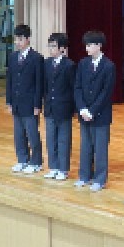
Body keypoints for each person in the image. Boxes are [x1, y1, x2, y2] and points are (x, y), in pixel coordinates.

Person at [73, 30, 116, 192]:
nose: (87, 48)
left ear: (99, 45)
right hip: (84, 113)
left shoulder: (109, 66)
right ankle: (84, 176)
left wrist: (92, 111)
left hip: (100, 115)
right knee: (85, 147)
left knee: (100, 149)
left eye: (90, 45)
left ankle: (100, 179)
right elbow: (77, 87)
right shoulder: (83, 63)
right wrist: (82, 108)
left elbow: (106, 92)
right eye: (86, 45)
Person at [6, 24, 44, 174]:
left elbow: (39, 83)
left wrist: (37, 104)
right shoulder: (12, 57)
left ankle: (36, 162)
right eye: (16, 39)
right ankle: (22, 159)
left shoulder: (36, 58)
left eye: (20, 39)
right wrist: (9, 101)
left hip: (30, 103)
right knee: (19, 134)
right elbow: (9, 81)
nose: (17, 42)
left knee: (32, 134)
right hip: (16, 102)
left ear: (28, 39)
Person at [42, 33, 76, 181]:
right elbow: (45, 86)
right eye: (49, 46)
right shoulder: (46, 63)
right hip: (50, 106)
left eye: (54, 46)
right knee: (51, 139)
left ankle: (63, 169)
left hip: (64, 107)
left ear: (62, 48)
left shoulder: (69, 65)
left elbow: (73, 88)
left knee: (63, 139)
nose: (51, 49)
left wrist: (74, 109)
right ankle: (53, 167)